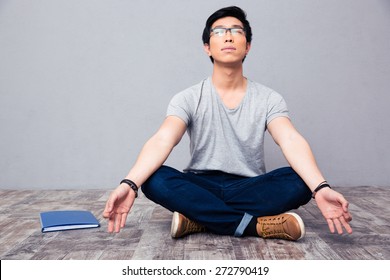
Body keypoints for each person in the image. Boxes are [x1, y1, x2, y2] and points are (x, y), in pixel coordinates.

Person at [103, 6, 352, 241]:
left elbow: (289, 139)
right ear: (207, 48)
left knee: (300, 180)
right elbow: (163, 139)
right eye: (219, 31)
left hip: (250, 186)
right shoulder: (188, 97)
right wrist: (129, 184)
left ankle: (200, 218)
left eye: (237, 31)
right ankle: (254, 226)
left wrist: (320, 188)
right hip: (200, 184)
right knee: (154, 179)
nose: (229, 37)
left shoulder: (268, 98)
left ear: (248, 46)